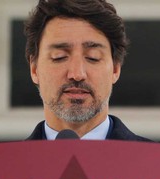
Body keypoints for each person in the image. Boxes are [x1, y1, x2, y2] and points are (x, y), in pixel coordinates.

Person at [24, 0, 150, 141]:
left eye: (93, 57)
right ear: (34, 69)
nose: (77, 74)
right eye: (59, 57)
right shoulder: (5, 163)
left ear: (115, 69)